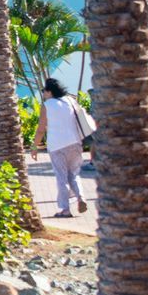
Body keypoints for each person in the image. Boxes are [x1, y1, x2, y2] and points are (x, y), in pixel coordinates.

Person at [31, 76, 90, 217]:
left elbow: (41, 129)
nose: (43, 94)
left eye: (44, 91)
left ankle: (65, 209)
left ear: (49, 91)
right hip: (75, 142)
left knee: (61, 178)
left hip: (57, 146)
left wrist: (34, 147)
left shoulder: (47, 105)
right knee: (73, 174)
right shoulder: (70, 100)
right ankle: (81, 197)